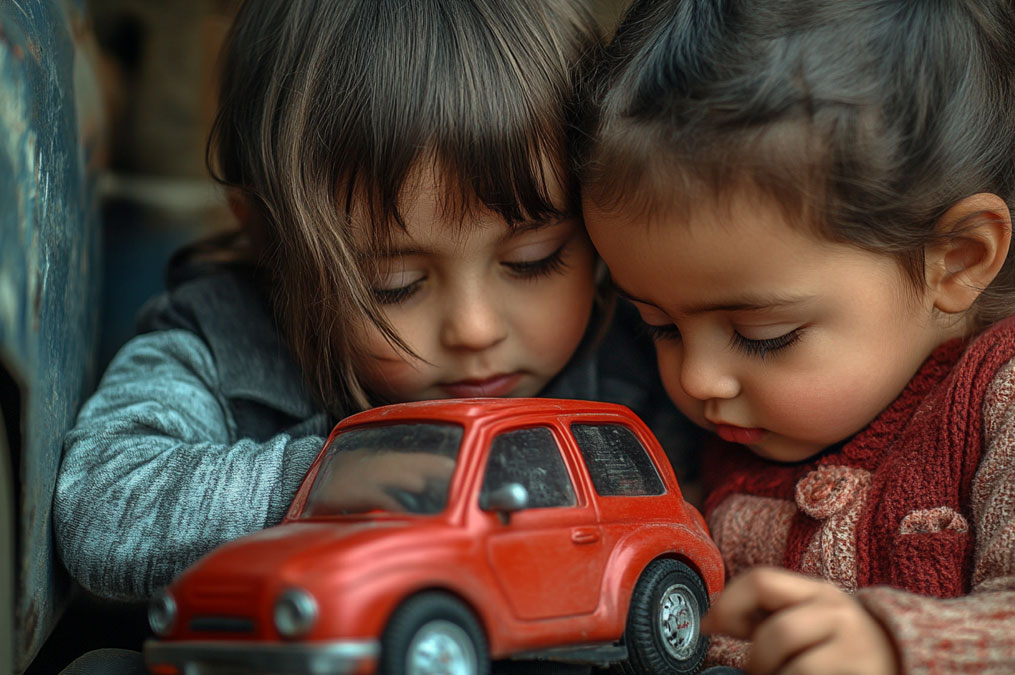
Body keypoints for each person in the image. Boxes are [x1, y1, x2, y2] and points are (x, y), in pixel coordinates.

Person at [579, 0, 1015, 672]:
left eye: (762, 334)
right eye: (658, 325)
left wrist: (892, 643)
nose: (697, 378)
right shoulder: (718, 435)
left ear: (956, 260)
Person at [53, 0, 697, 609]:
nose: (475, 329)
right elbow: (100, 504)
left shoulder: (639, 355)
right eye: (395, 284)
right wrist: (314, 480)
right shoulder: (227, 352)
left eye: (532, 261)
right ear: (269, 244)